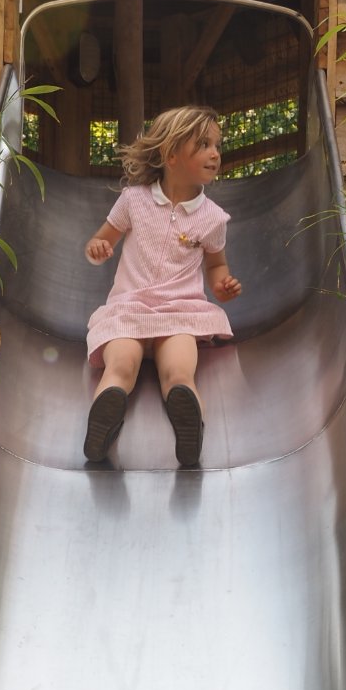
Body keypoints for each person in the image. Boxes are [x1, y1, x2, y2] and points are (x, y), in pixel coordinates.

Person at [81, 105, 242, 467]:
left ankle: (190, 427)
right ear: (171, 155)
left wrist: (222, 286)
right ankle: (102, 423)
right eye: (203, 144)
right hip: (129, 309)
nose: (215, 153)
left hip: (179, 312)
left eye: (217, 145)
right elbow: (101, 242)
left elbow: (216, 264)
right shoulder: (134, 201)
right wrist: (97, 250)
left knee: (180, 372)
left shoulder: (212, 217)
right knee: (120, 364)